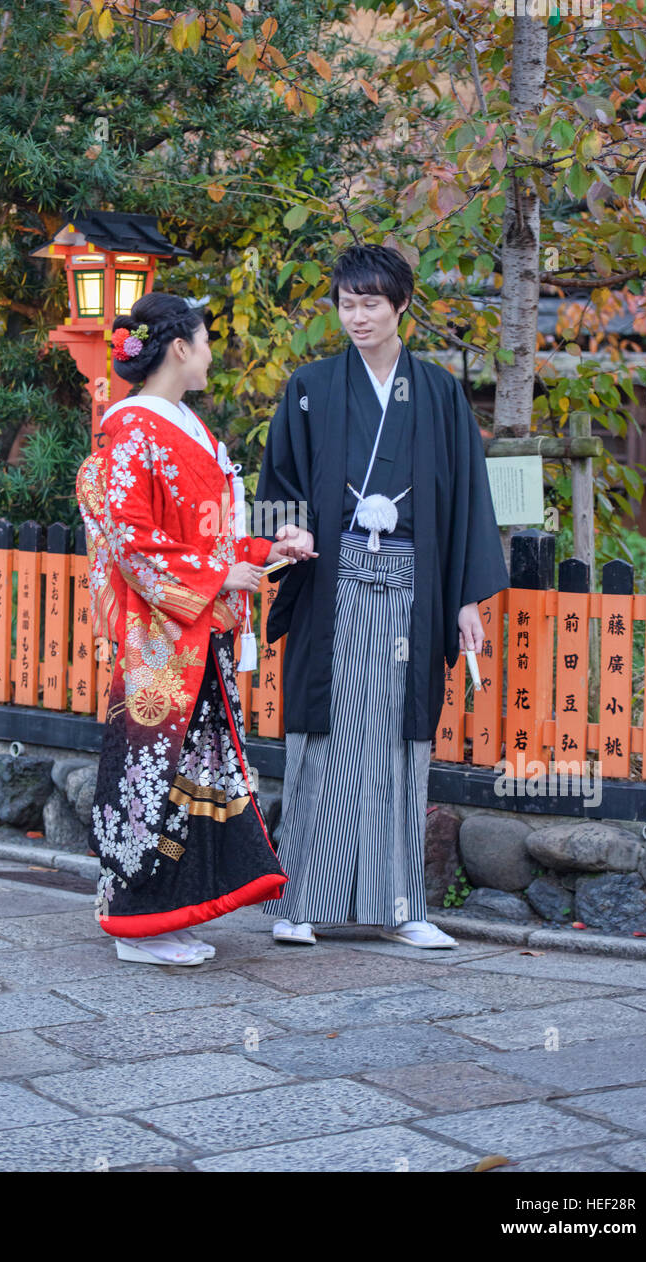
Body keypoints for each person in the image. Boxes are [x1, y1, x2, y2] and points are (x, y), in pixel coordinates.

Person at [254, 243, 509, 949]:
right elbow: (277, 488)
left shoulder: (436, 392)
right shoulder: (310, 386)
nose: (358, 316)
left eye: (371, 302)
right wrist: (287, 534)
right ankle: (299, 904)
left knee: (400, 742)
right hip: (330, 586)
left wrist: (463, 601)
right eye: (346, 303)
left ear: (401, 307)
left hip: (410, 588)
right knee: (323, 737)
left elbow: (465, 500)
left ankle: (404, 908)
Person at [76, 292, 313, 967]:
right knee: (150, 773)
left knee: (191, 775)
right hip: (159, 638)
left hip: (193, 629)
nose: (211, 351)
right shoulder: (130, 427)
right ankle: (136, 921)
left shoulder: (185, 425)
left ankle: (168, 914)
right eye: (206, 339)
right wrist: (213, 583)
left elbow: (209, 539)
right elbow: (131, 539)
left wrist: (266, 552)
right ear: (179, 346)